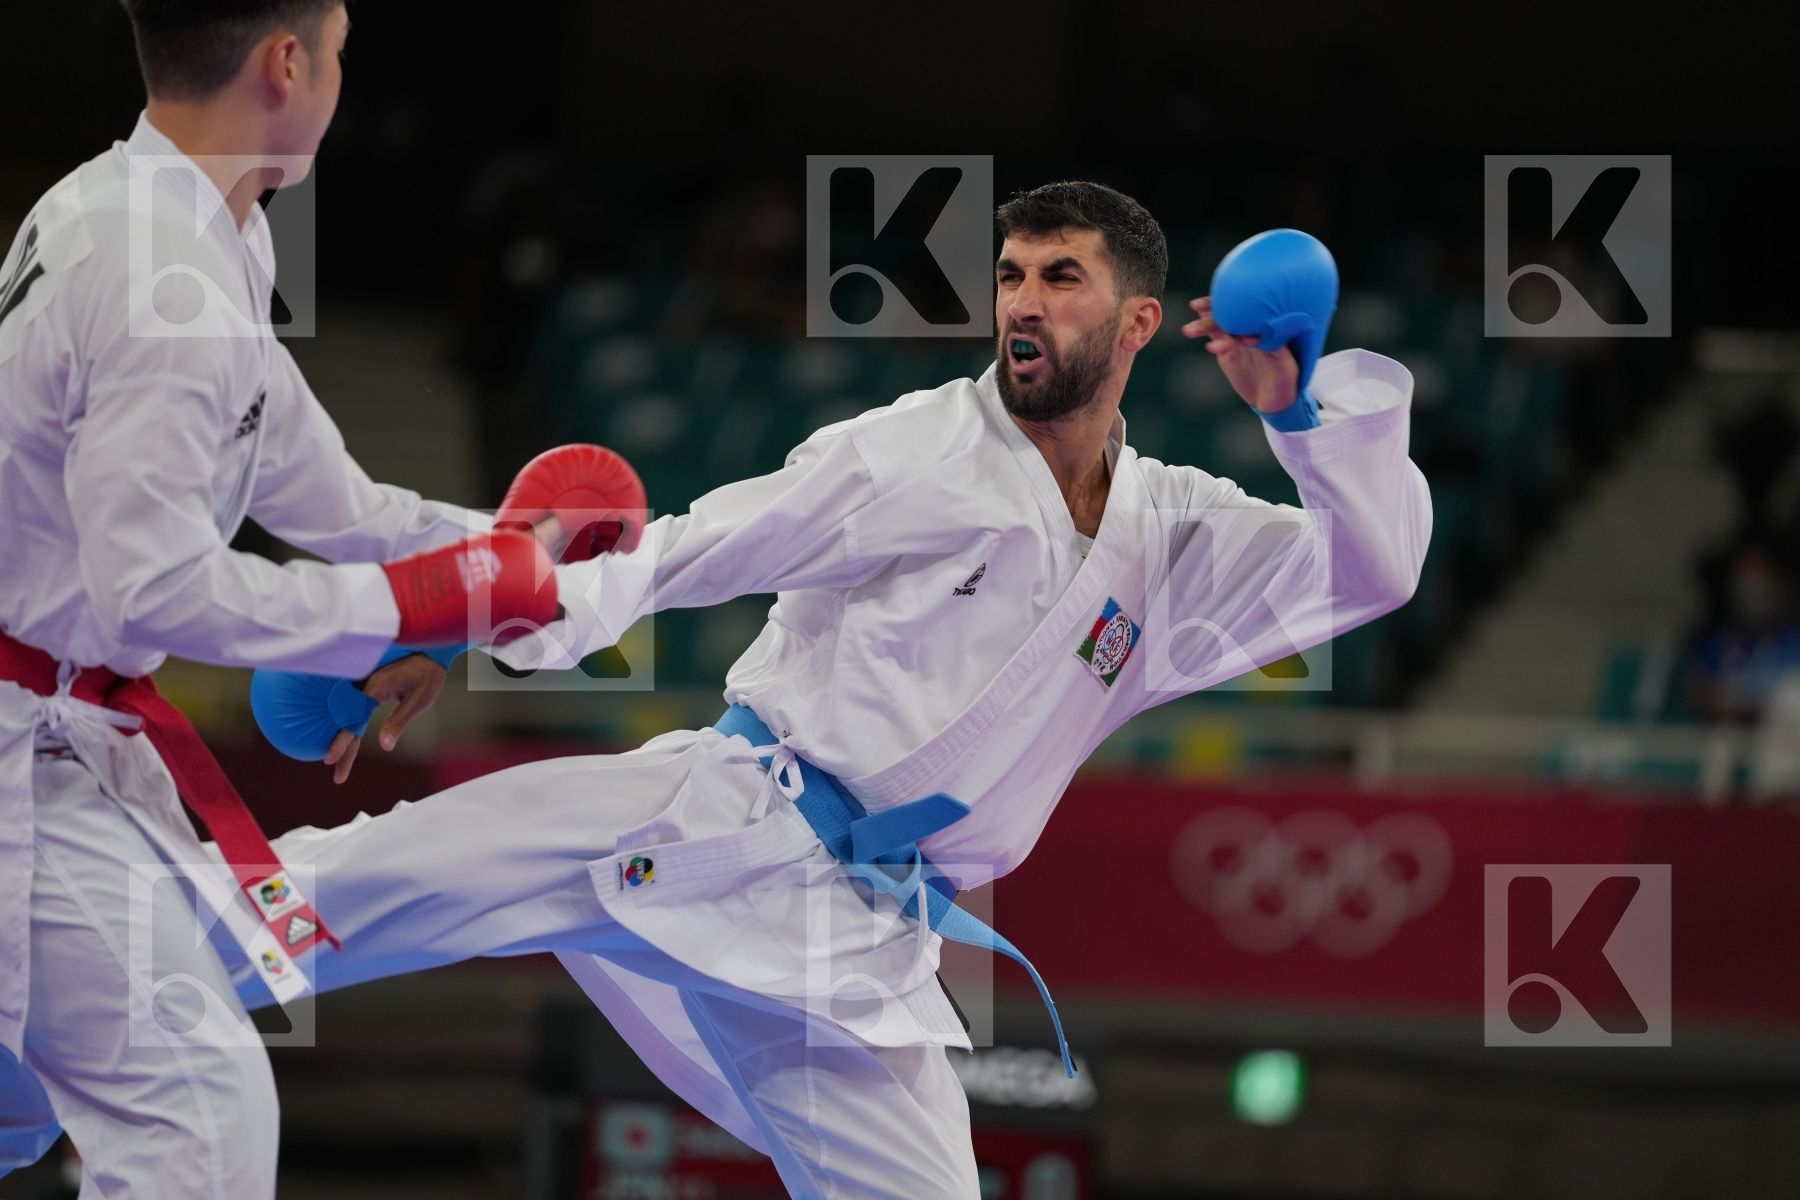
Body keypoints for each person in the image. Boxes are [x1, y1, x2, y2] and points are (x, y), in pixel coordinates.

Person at [240, 182, 1434, 1197]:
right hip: (720, 823)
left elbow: (1369, 568)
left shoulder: (1171, 535)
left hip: (855, 946)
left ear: (1136, 324)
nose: (1022, 300)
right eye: (1012, 274)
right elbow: (685, 550)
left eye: (1059, 277)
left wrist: (1296, 418)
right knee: (354, 887)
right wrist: (451, 627)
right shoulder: (915, 450)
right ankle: (85, 964)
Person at [0, 3, 602, 1194]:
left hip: (64, 728)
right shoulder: (157, 272)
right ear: (289, 63)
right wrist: (397, 606)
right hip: (32, 732)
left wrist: (500, 574)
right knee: (199, 1115)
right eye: (339, 47)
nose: (340, 74)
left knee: (47, 1114)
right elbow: (156, 591)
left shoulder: (177, 224)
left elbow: (330, 497)